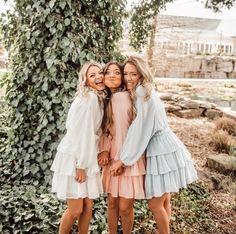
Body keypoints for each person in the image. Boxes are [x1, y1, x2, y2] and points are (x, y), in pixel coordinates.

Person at [111, 56, 198, 234]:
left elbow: (140, 129)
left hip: (161, 149)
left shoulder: (142, 92)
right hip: (167, 145)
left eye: (133, 74)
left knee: (155, 204)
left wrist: (123, 159)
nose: (128, 78)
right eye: (126, 73)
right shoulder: (146, 90)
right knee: (165, 200)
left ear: (142, 74)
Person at [51, 61, 105, 234]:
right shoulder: (87, 99)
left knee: (88, 205)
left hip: (87, 154)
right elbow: (82, 134)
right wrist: (81, 165)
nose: (98, 77)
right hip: (75, 156)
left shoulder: (96, 97)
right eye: (92, 75)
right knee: (75, 209)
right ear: (86, 80)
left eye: (99, 73)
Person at [98, 61, 146, 234]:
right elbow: (106, 130)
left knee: (125, 207)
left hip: (128, 156)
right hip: (112, 155)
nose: (111, 75)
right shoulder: (106, 98)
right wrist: (103, 149)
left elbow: (133, 133)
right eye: (108, 72)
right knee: (112, 203)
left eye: (117, 72)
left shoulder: (125, 97)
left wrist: (123, 160)